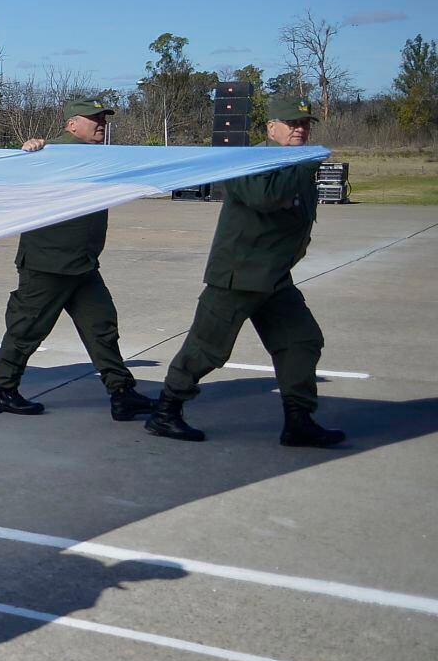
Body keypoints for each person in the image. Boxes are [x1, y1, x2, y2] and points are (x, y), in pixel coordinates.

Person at [146, 103, 341, 447]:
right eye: (291, 123)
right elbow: (265, 198)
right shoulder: (247, 162)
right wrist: (305, 165)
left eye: (305, 124)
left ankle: (299, 421)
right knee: (206, 349)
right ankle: (166, 412)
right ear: (271, 128)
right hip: (238, 275)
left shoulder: (297, 164)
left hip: (275, 278)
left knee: (301, 341)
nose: (300, 129)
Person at [0, 100, 154, 420]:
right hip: (47, 262)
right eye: (93, 119)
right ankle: (4, 390)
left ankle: (121, 393)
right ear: (71, 124)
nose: (101, 124)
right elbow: (11, 172)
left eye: (103, 119)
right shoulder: (48, 154)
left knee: (101, 326)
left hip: (82, 263)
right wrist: (28, 150)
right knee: (27, 329)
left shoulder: (100, 158)